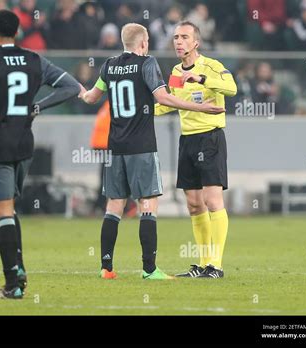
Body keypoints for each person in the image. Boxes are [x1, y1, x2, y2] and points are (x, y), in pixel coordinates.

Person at [79, 23, 224, 280]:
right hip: (141, 146)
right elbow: (164, 98)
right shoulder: (147, 64)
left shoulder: (108, 66)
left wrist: (80, 91)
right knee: (148, 205)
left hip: (115, 147)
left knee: (114, 206)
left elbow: (91, 98)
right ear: (143, 43)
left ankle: (107, 268)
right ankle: (149, 269)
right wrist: (198, 107)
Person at [0, 10, 80, 299]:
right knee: (8, 209)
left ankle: (13, 285)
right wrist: (38, 107)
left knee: (1, 212)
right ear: (16, 32)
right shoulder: (34, 59)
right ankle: (19, 270)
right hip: (25, 145)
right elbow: (72, 87)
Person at [155, 21, 237, 278]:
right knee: (193, 204)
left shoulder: (211, 65)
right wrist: (145, 111)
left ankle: (216, 265)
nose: (178, 41)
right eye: (176, 37)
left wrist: (201, 78)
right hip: (187, 140)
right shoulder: (176, 71)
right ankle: (203, 264)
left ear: (196, 42)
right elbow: (172, 103)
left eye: (184, 37)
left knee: (212, 201)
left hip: (210, 138)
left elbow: (232, 88)